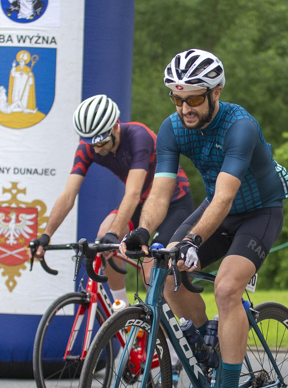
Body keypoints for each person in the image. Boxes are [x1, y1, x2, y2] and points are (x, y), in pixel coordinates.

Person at [122, 49, 288, 388]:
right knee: (160, 272)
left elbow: (227, 195)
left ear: (216, 92)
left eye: (194, 98)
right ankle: (205, 344)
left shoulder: (239, 126)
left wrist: (193, 240)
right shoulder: (172, 128)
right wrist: (143, 231)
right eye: (177, 98)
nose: (185, 108)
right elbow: (161, 191)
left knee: (228, 288)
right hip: (216, 208)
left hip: (259, 212)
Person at [35, 94, 194, 306]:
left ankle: (159, 332)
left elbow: (133, 193)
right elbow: (68, 195)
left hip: (173, 202)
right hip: (140, 204)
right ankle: (121, 308)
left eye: (100, 141)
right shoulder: (89, 145)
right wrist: (46, 236)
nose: (96, 149)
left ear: (115, 127)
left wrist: (114, 233)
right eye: (89, 143)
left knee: (150, 270)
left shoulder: (139, 135)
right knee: (103, 240)